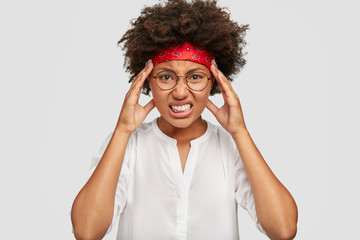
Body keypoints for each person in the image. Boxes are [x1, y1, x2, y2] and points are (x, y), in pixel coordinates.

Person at [71, 0, 298, 239]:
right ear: (148, 80)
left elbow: (283, 230)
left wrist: (240, 132)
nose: (180, 92)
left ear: (214, 82)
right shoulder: (128, 145)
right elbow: (87, 232)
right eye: (167, 77)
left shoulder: (231, 146)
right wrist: (122, 131)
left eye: (196, 76)